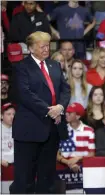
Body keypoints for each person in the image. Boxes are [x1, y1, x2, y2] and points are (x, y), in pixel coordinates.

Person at [11, 31, 71, 194]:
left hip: (52, 130)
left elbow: (65, 90)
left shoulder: (54, 65)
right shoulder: (21, 67)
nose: (46, 49)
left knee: (48, 178)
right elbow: (25, 94)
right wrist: (49, 111)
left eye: (48, 45)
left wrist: (60, 107)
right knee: (25, 179)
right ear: (31, 48)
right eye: (42, 46)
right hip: (29, 130)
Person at [57, 102, 95, 173]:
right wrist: (68, 162)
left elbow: (92, 154)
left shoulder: (89, 131)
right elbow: (57, 154)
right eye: (66, 112)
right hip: (63, 170)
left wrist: (77, 158)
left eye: (70, 112)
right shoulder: (62, 130)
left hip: (85, 170)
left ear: (78, 116)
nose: (66, 114)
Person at [1, 103, 16, 167]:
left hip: (15, 165)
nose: (12, 116)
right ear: (1, 116)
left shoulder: (17, 129)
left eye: (13, 114)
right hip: (2, 165)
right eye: (8, 114)